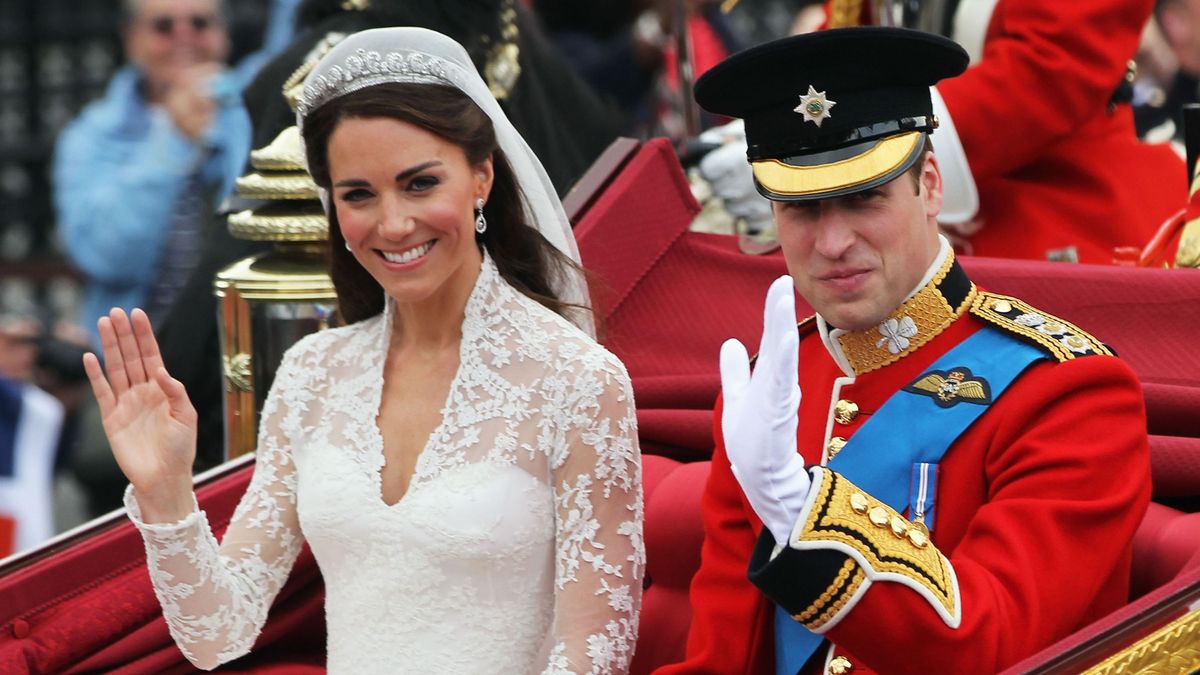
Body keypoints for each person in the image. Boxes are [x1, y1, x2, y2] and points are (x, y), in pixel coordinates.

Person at [82, 27, 643, 673]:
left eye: (420, 183)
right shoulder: (313, 372)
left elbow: (593, 654)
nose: (394, 222)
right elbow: (219, 631)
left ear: (482, 176)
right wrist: (166, 491)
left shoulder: (577, 378)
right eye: (358, 194)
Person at [658, 27, 1152, 674]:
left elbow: (987, 638)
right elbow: (721, 659)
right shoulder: (772, 390)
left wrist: (803, 510)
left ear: (930, 184)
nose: (833, 242)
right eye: (803, 209)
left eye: (865, 198)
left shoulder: (1068, 391)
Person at [53, 0, 252, 346]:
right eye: (164, 26)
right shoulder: (92, 133)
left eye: (200, 23)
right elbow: (105, 256)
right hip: (138, 361)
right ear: (132, 39)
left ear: (223, 35)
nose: (184, 36)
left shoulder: (257, 110)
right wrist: (175, 140)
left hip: (245, 349)